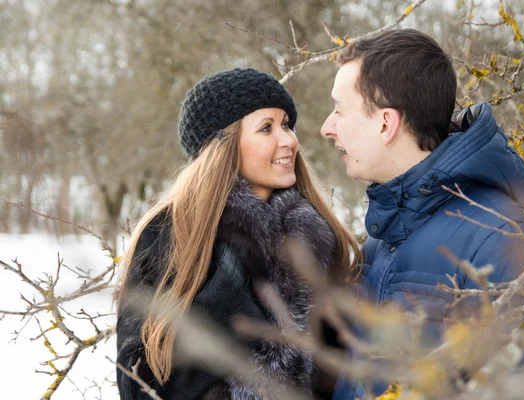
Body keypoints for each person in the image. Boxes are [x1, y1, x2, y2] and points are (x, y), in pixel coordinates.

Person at [320, 28, 524, 399]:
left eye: (339, 110)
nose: (327, 127)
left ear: (386, 123)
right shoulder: (382, 238)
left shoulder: (502, 237)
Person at [116, 68, 361, 399]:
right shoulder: (172, 233)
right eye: (266, 128)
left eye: (286, 124)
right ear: (223, 146)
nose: (288, 140)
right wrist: (225, 306)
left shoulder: (314, 236)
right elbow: (137, 382)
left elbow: (341, 370)